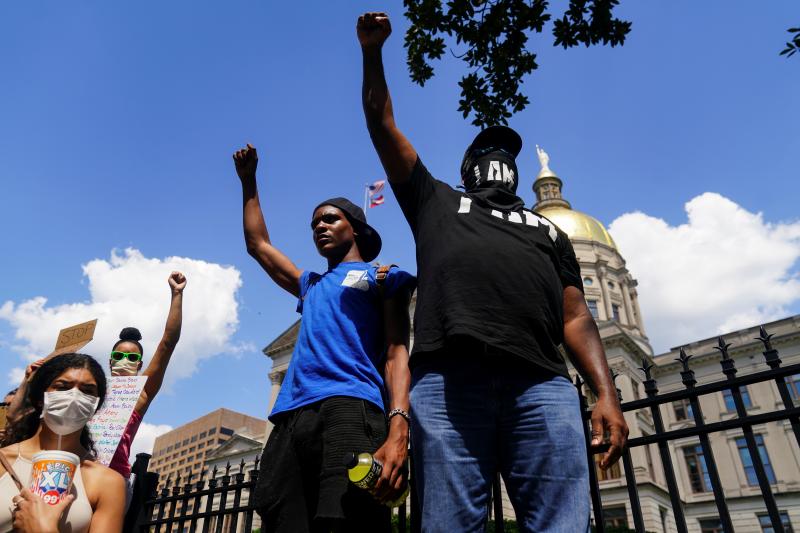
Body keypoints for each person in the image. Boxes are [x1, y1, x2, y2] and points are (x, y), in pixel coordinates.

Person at [357, 12, 629, 532]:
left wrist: (607, 394)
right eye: (485, 152)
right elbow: (382, 124)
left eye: (504, 154)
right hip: (449, 383)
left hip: (542, 384)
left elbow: (576, 317)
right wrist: (373, 52)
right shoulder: (437, 201)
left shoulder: (549, 229)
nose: (497, 159)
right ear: (466, 170)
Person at [232, 144, 415, 532]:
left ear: (356, 228)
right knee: (282, 520)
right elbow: (258, 245)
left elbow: (397, 353)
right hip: (291, 417)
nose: (319, 226)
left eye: (330, 219)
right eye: (314, 223)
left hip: (350, 406)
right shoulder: (310, 285)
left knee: (347, 521)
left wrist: (399, 424)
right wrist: (249, 182)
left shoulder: (382, 277)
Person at [0, 353, 125, 532]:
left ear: (95, 405)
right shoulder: (3, 460)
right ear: (40, 398)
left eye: (87, 391)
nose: (74, 396)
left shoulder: (107, 482)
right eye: (62, 387)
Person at [106, 271, 187, 482]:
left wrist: (176, 294)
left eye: (132, 357)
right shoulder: (89, 391)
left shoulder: (140, 394)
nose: (124, 360)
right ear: (110, 361)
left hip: (113, 478)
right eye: (119, 356)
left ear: (139, 364)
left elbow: (167, 343)